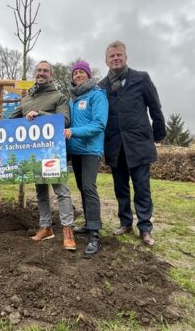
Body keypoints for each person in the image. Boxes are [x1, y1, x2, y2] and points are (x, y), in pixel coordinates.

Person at [98, 41, 166, 246]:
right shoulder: (101, 87)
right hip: (115, 145)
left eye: (119, 55)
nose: (116, 58)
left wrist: (158, 135)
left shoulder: (141, 79)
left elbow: (155, 108)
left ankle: (145, 228)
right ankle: (125, 222)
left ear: (126, 57)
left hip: (138, 143)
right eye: (112, 56)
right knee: (121, 188)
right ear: (106, 61)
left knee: (142, 187)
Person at [10, 60, 76, 251]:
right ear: (34, 73)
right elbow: (10, 121)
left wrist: (38, 113)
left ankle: (67, 231)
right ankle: (45, 227)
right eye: (39, 70)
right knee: (40, 192)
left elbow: (64, 121)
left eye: (45, 71)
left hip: (52, 153)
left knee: (61, 191)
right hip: (32, 153)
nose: (42, 73)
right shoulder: (25, 100)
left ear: (51, 75)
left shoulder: (59, 97)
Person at [64, 61, 108, 257]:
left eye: (82, 72)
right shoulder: (72, 99)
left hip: (91, 149)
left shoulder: (97, 95)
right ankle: (89, 223)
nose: (78, 75)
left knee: (89, 187)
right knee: (82, 187)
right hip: (76, 151)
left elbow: (99, 124)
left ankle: (95, 234)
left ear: (88, 75)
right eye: (76, 73)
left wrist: (73, 131)